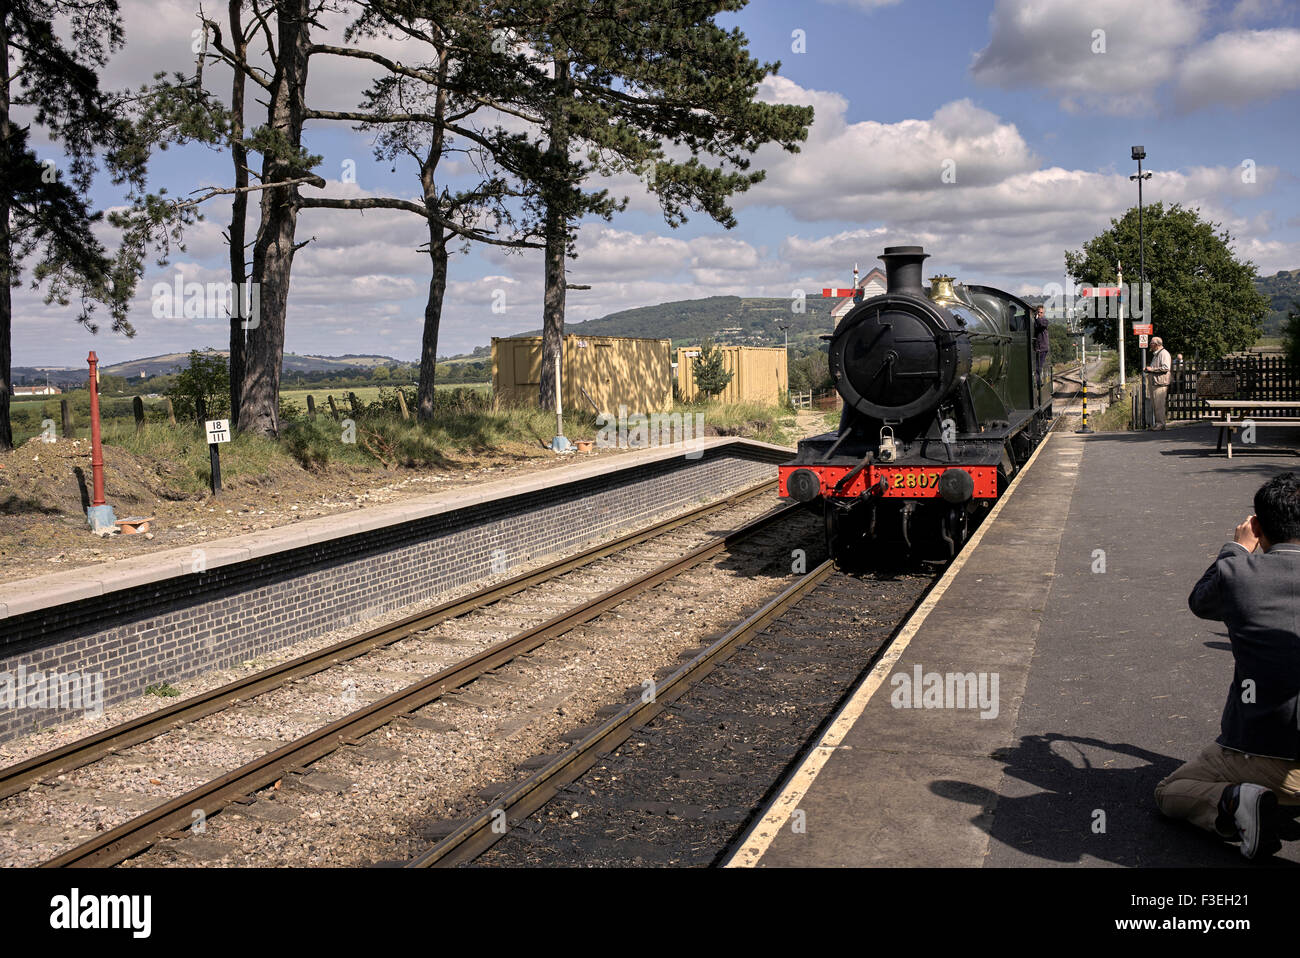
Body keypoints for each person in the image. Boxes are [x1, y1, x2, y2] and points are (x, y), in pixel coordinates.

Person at [1155, 473, 1300, 858]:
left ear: (1261, 530)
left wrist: (1236, 548)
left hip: (1269, 755)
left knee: (1170, 791)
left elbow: (1201, 601)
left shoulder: (1239, 575)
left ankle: (1237, 802)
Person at [1145, 336, 1172, 429]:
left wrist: (1151, 369)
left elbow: (1166, 368)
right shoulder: (1157, 354)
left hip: (1160, 383)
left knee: (1159, 405)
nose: (1150, 345)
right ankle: (1158, 423)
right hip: (1156, 383)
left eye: (1151, 343)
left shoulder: (1163, 354)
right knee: (1156, 405)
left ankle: (1160, 424)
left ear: (1157, 345)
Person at [1033, 304, 1050, 388]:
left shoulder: (1044, 321)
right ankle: (1038, 382)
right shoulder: (1036, 321)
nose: (1040, 314)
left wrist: (1037, 318)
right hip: (1038, 347)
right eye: (1039, 312)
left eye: (1041, 313)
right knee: (1036, 366)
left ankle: (1039, 383)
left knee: (1038, 367)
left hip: (1042, 347)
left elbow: (1041, 325)